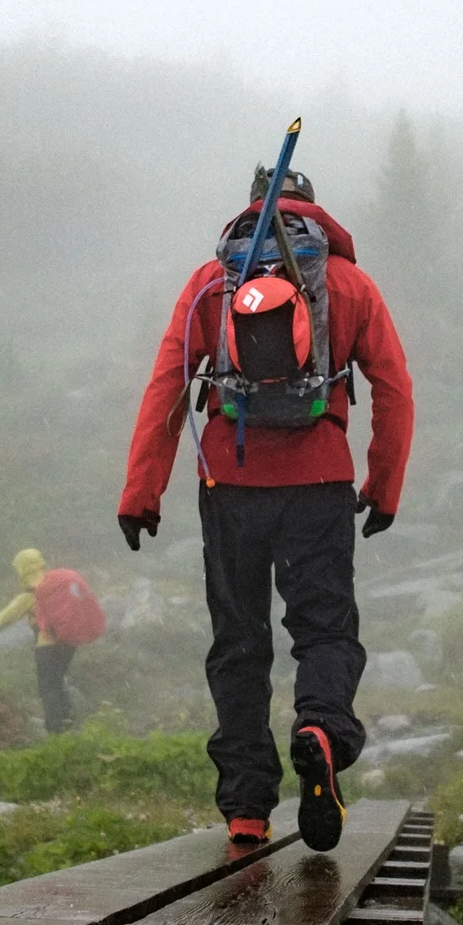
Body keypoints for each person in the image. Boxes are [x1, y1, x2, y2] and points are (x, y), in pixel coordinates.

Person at [117, 153, 412, 856]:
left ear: (249, 208)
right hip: (319, 484)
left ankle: (248, 808)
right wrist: (383, 484)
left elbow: (167, 386)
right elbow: (394, 387)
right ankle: (321, 729)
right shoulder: (347, 283)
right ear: (313, 209)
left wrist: (141, 492)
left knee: (239, 643)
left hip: (230, 486)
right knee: (325, 631)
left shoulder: (210, 283)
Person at [0, 549, 103, 735]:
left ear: (22, 569)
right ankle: (68, 723)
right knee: (58, 682)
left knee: (48, 688)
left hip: (47, 647)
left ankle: (55, 731)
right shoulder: (56, 586)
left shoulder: (31, 594)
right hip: (68, 643)